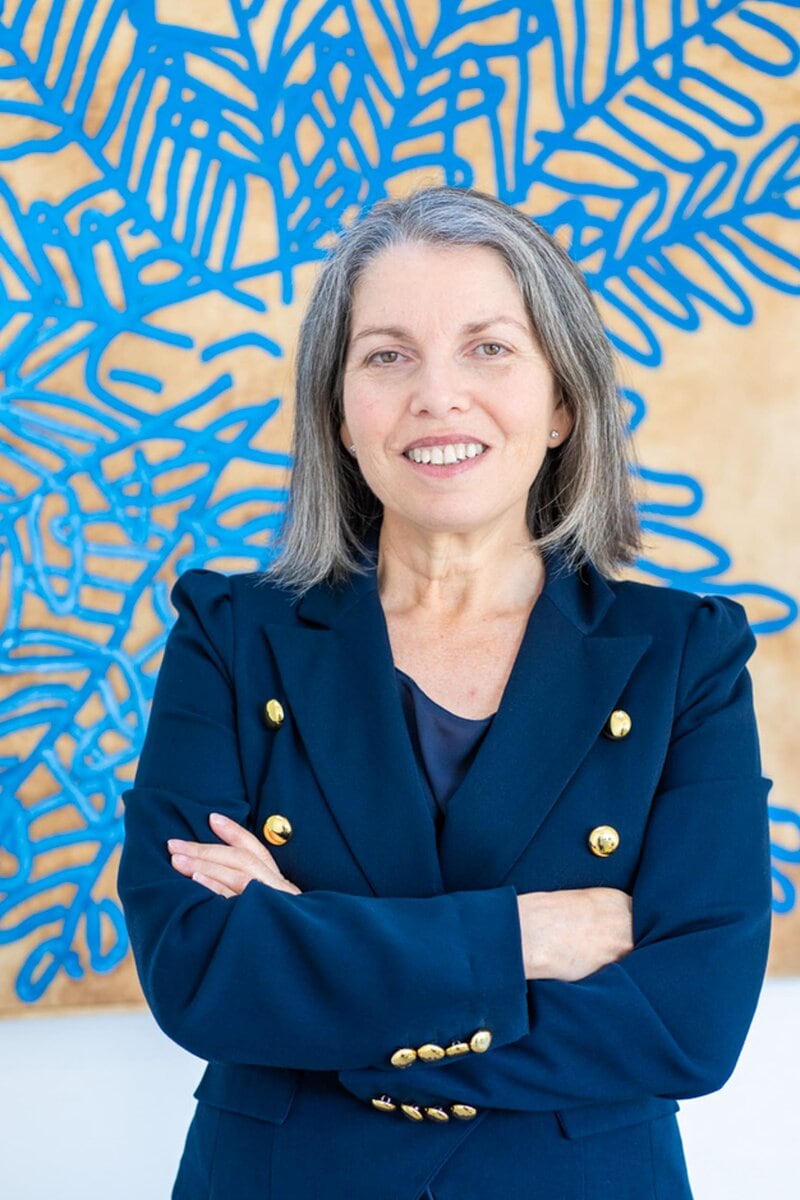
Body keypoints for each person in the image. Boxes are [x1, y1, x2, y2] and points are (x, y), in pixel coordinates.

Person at [118, 186, 772, 1200]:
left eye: (487, 348)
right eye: (386, 355)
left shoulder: (685, 655)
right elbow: (197, 962)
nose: (436, 395)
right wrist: (524, 939)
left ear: (561, 401)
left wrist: (319, 966)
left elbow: (686, 1020)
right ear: (337, 410)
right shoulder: (230, 635)